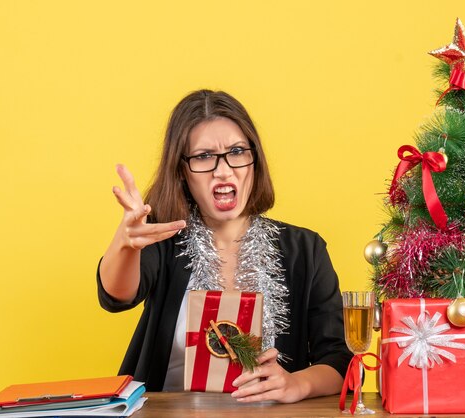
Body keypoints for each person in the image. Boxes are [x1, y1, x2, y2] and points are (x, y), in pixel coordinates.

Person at [97, 89, 352, 403]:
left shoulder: (305, 250)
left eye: (237, 151)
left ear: (254, 160)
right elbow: (116, 296)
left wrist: (295, 384)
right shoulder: (163, 237)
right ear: (182, 171)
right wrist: (126, 245)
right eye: (203, 157)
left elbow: (339, 360)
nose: (223, 169)